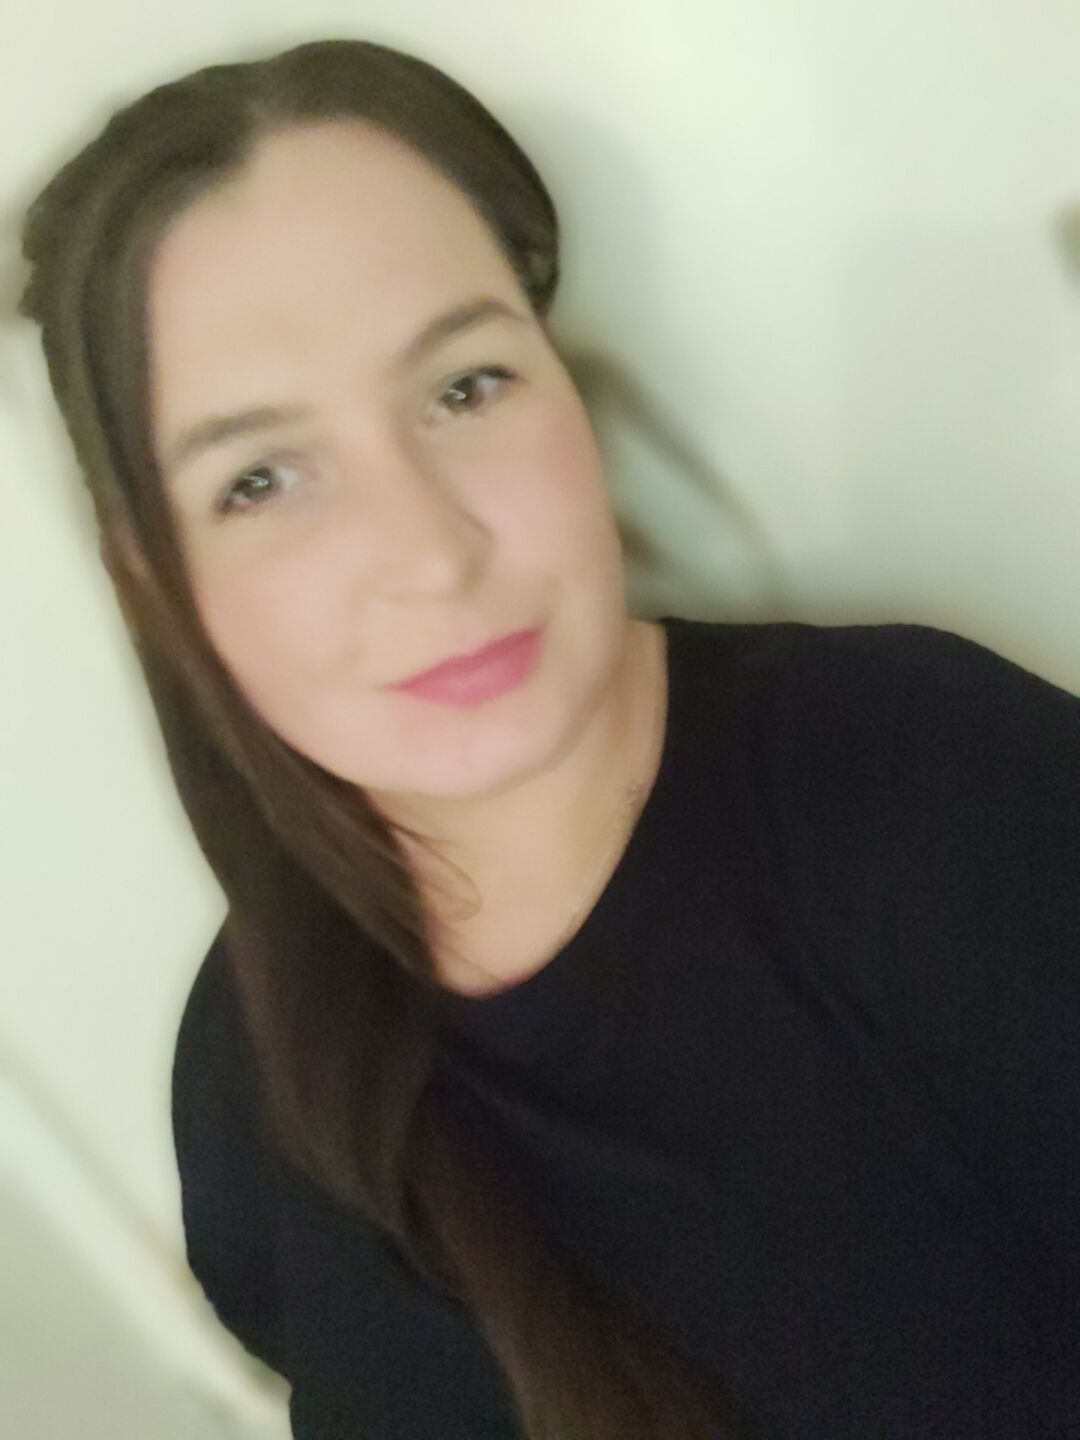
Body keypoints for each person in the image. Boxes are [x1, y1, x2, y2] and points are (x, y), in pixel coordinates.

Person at [17, 36, 1080, 1440]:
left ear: (566, 382)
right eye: (260, 479)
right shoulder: (244, 1077)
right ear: (154, 579)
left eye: (465, 387)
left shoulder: (930, 787)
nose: (429, 551)